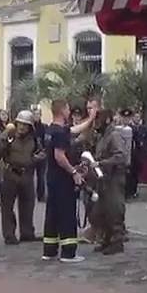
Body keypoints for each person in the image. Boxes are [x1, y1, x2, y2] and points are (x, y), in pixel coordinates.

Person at [42, 99, 86, 263]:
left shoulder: (50, 130)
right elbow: (59, 156)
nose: (69, 111)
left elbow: (74, 130)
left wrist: (91, 117)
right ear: (62, 110)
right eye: (67, 108)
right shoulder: (60, 133)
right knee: (67, 214)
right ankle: (68, 253)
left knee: (52, 215)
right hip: (62, 179)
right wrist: (73, 172)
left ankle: (49, 250)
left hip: (52, 179)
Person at [89, 110, 130, 255]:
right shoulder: (103, 137)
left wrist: (102, 163)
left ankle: (117, 241)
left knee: (114, 209)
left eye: (98, 120)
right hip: (104, 179)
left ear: (106, 120)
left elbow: (121, 156)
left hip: (114, 178)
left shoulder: (114, 135)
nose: (96, 123)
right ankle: (106, 240)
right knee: (102, 211)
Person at [0, 110, 42, 245]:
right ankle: (9, 235)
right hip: (11, 173)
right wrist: (6, 135)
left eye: (25, 124)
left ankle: (27, 233)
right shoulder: (9, 136)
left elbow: (40, 153)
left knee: (28, 206)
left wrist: (36, 159)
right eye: (20, 123)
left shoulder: (34, 139)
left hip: (27, 174)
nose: (22, 127)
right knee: (7, 207)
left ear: (30, 127)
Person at [125, 109, 147, 199]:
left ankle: (134, 191)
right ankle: (129, 191)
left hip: (138, 155)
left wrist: (144, 152)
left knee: (136, 174)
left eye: (138, 117)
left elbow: (145, 141)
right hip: (130, 154)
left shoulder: (143, 128)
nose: (137, 118)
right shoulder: (129, 128)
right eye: (135, 117)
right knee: (129, 174)